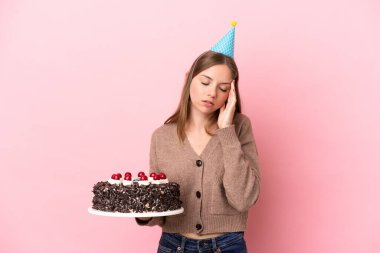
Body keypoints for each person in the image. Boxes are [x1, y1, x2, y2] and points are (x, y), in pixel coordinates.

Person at [135, 22, 261, 253]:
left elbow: (244, 199)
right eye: (205, 82)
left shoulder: (239, 128)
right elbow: (162, 208)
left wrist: (226, 132)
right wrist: (145, 214)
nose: (212, 93)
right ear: (189, 79)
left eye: (223, 88)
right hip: (173, 246)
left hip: (227, 246)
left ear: (231, 94)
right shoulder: (161, 137)